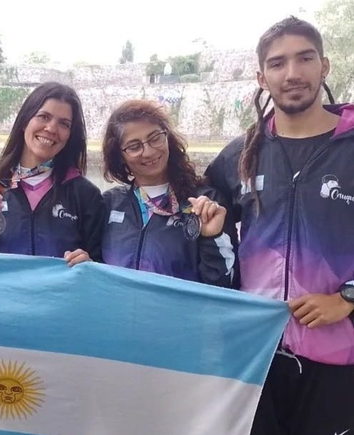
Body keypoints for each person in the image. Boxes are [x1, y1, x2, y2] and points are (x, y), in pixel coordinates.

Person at [205, 16, 354, 435]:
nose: (292, 73)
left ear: (324, 66)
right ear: (261, 77)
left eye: (305, 58)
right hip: (256, 356)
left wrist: (348, 297)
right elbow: (196, 221)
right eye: (277, 63)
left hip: (338, 358)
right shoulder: (242, 153)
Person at [0, 81, 106, 266]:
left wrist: (89, 265)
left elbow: (100, 267)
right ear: (25, 121)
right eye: (43, 117)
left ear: (70, 135)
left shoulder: (86, 195)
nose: (51, 129)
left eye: (64, 124)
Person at [100, 100, 235, 286]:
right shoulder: (108, 204)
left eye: (155, 137)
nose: (148, 152)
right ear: (120, 156)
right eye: (134, 146)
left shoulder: (206, 202)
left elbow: (226, 287)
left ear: (168, 138)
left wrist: (212, 238)